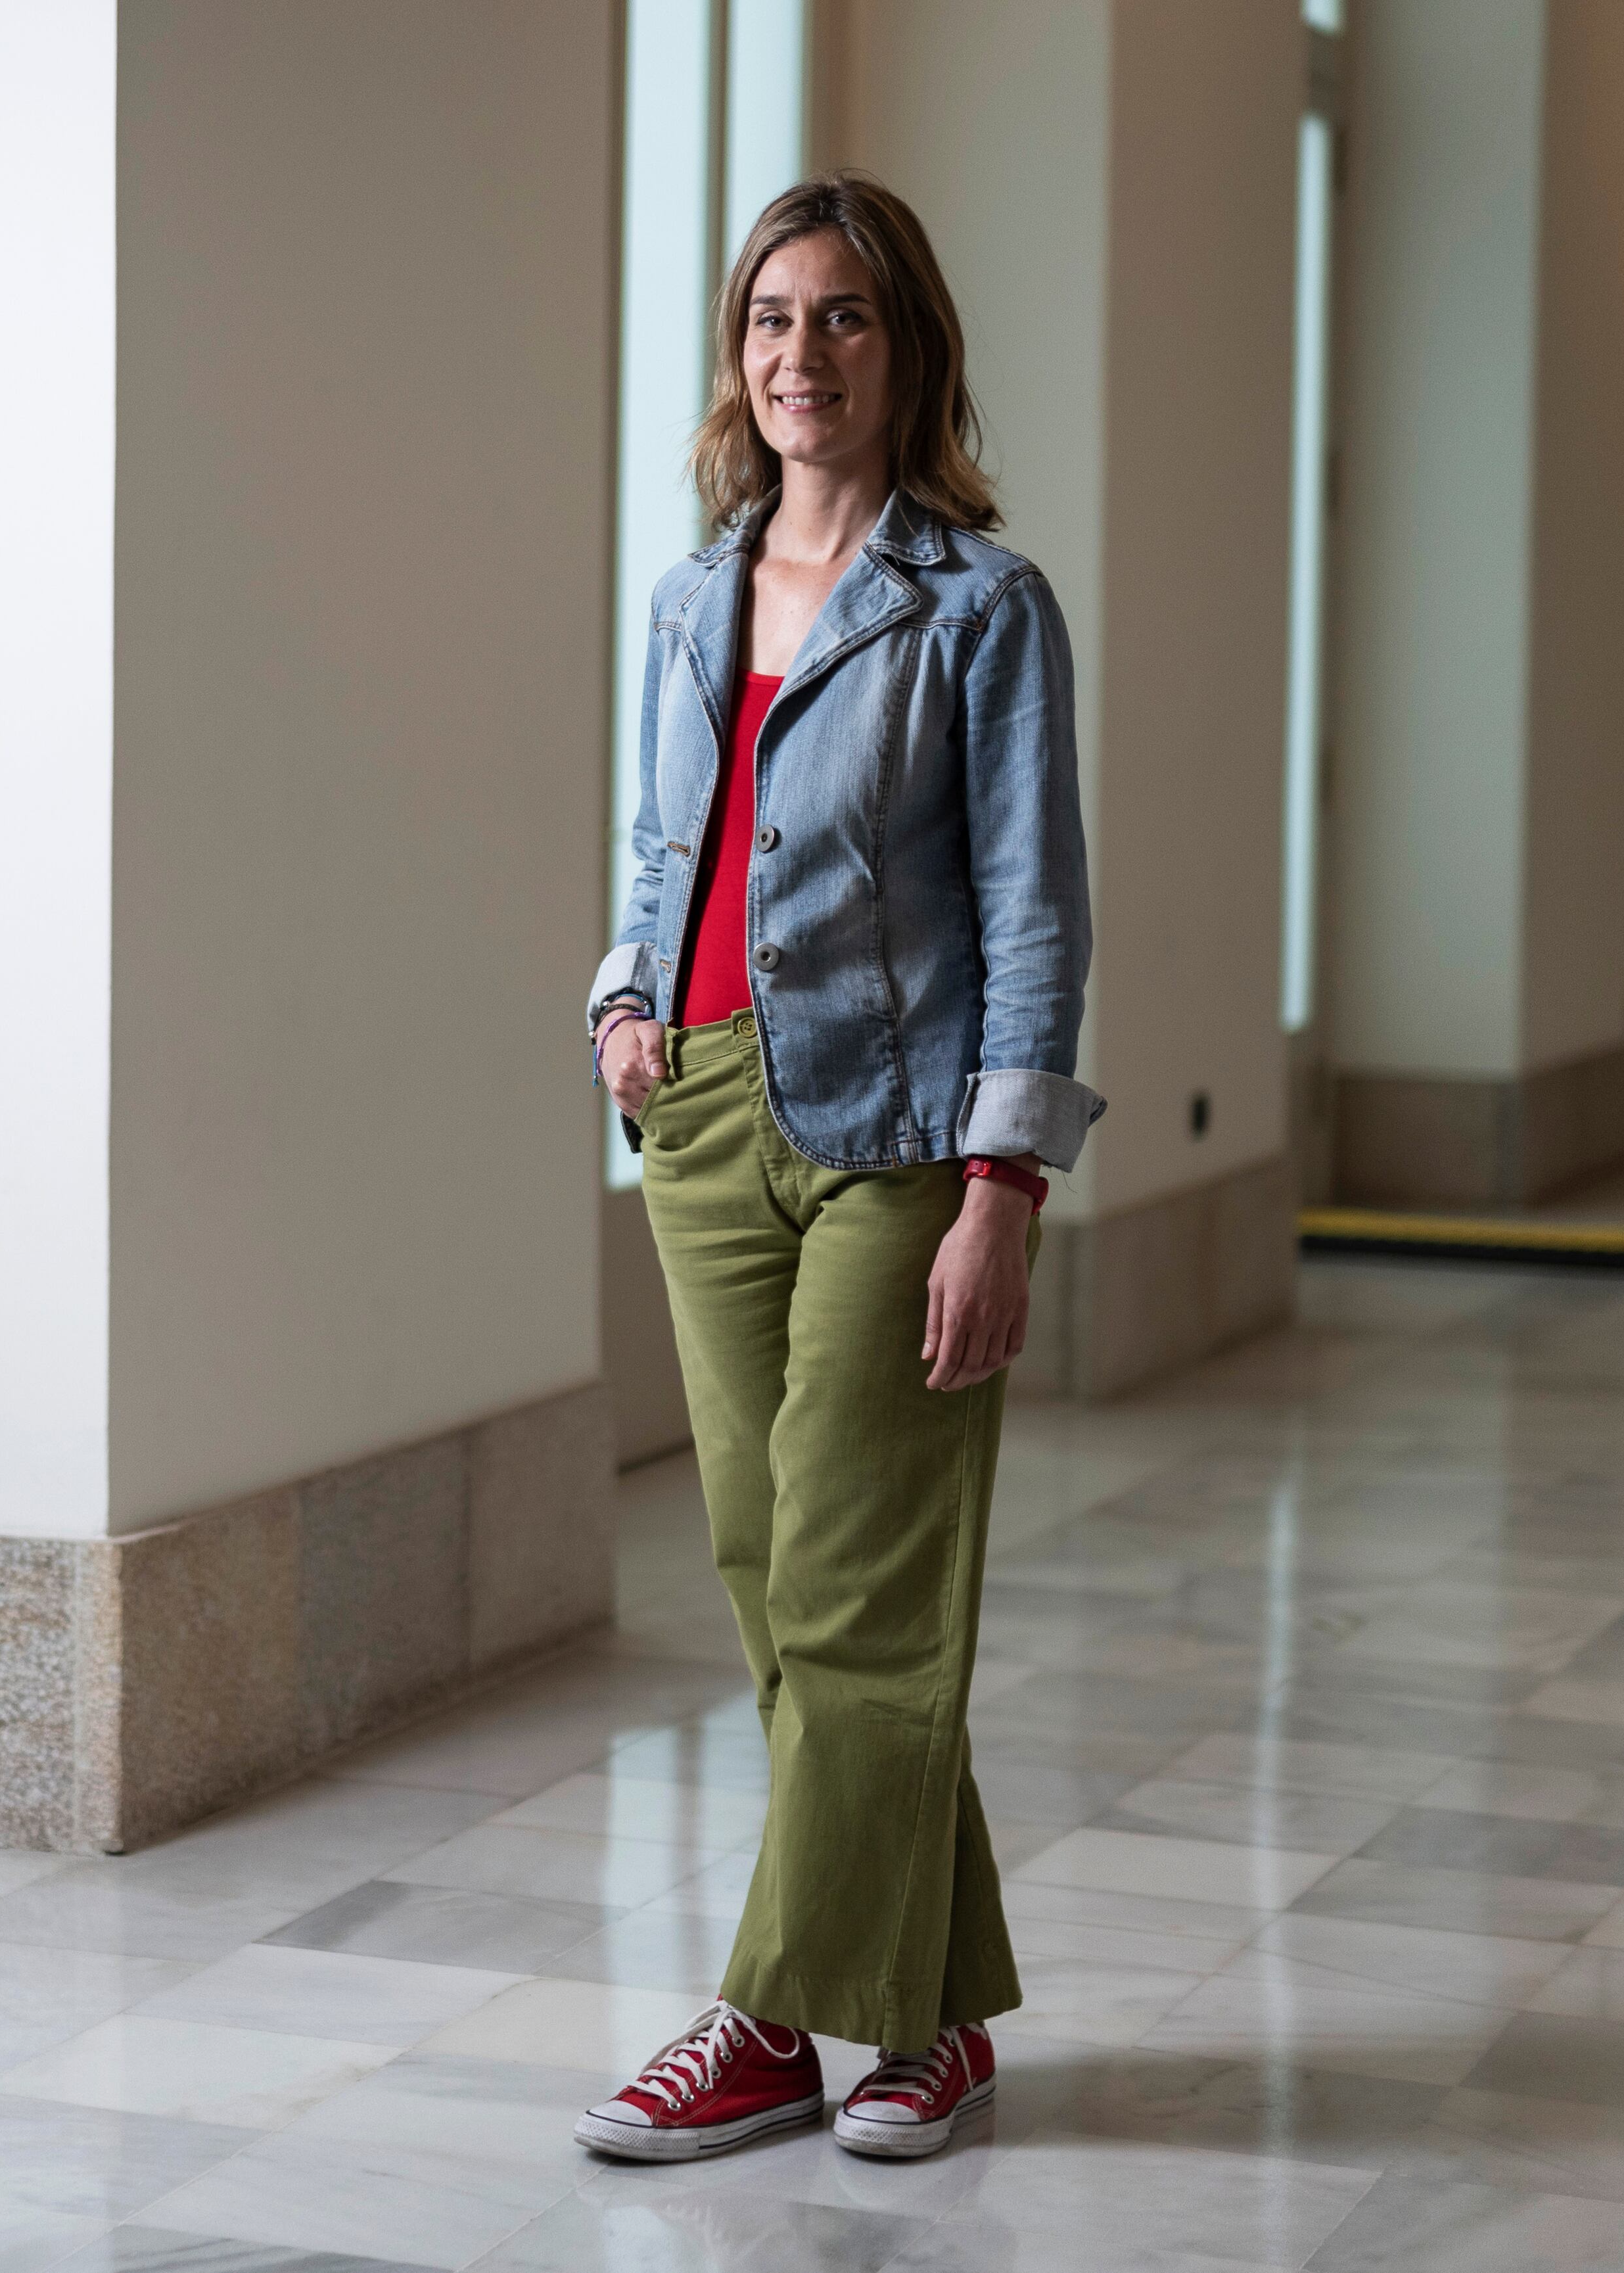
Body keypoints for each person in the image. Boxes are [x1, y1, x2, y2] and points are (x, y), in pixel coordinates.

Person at [572, 172, 1100, 2167]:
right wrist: (625, 1007)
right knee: (780, 1578)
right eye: (775, 319)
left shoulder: (982, 606)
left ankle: (772, 2018)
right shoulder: (693, 596)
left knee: (865, 1579)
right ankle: (936, 2023)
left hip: (895, 1137)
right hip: (702, 1119)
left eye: (849, 319)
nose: (806, 355)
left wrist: (1002, 1189)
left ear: (913, 351)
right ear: (741, 355)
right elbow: (661, 844)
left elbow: (1036, 919)